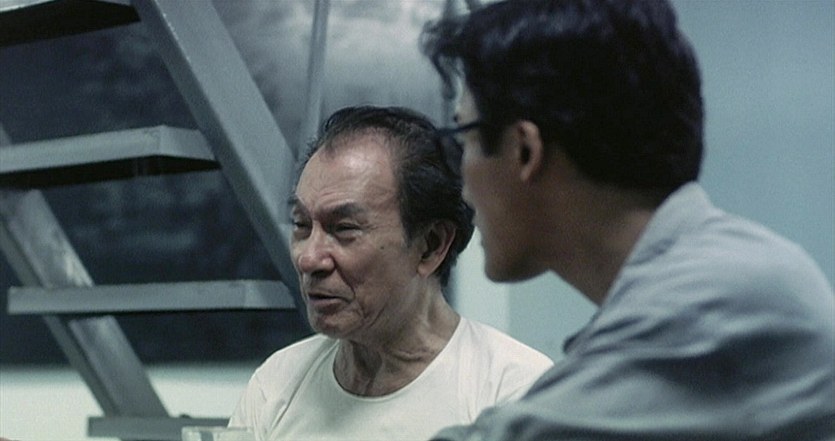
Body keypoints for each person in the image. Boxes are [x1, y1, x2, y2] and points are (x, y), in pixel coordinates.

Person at [420, 1, 835, 440]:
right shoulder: (704, 281)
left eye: (464, 140)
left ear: (525, 150)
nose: (463, 186)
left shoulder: (725, 299)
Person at [228, 105, 553, 440]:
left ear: (430, 246)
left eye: (344, 228)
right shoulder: (277, 385)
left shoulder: (515, 393)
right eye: (301, 225)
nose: (309, 259)